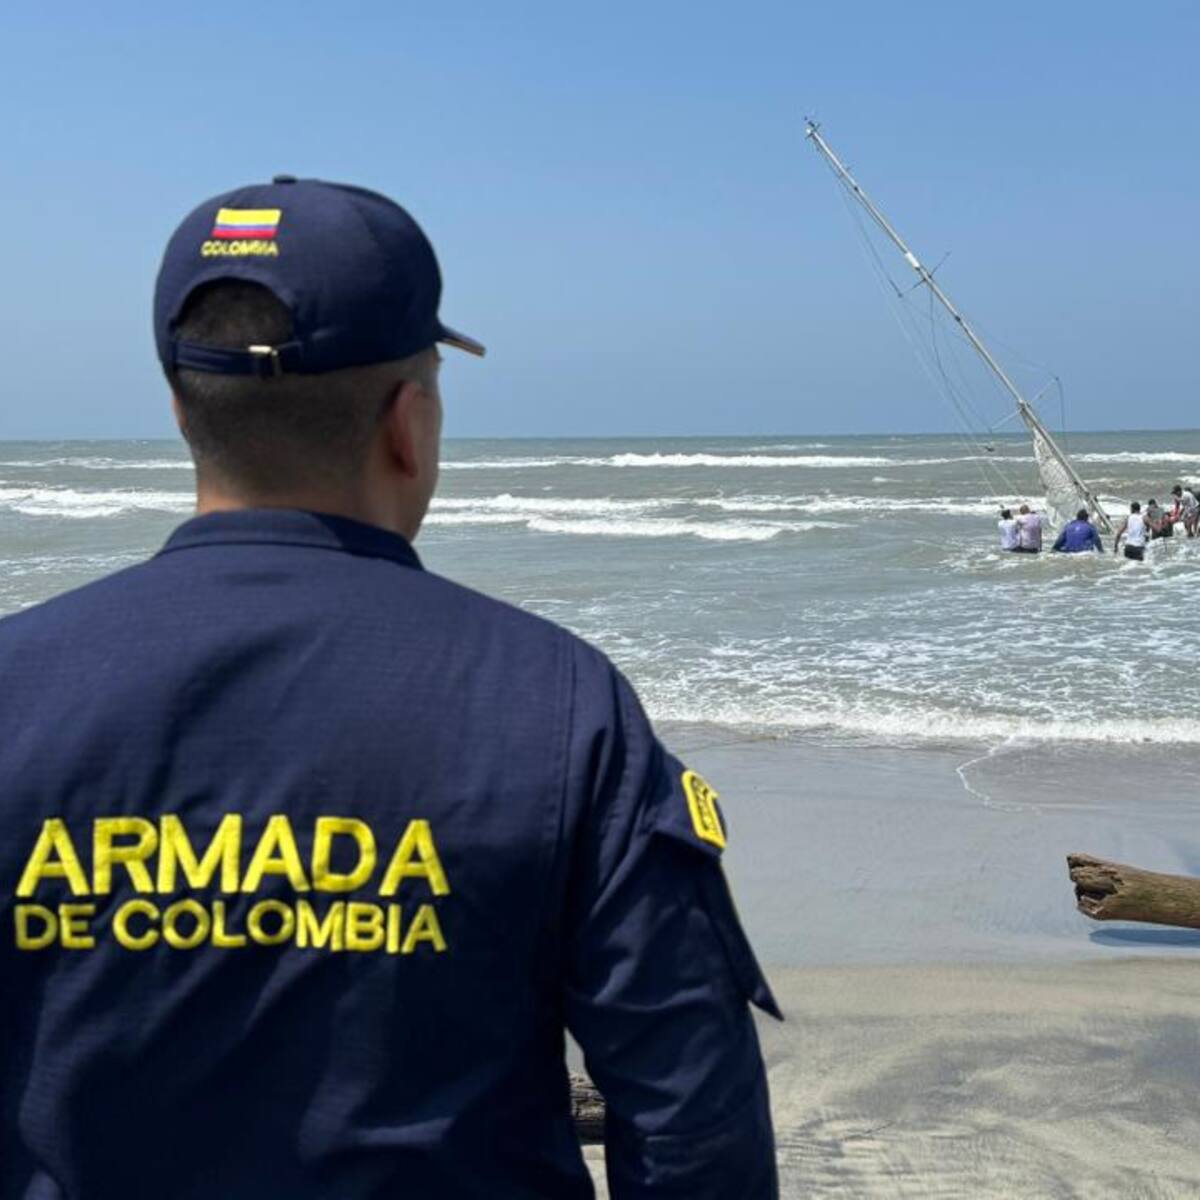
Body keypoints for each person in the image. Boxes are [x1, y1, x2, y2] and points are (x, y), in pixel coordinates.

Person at [0, 179, 780, 1197]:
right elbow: (693, 1122)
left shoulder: (17, 685)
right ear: (410, 423)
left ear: (182, 409)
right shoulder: (558, 706)